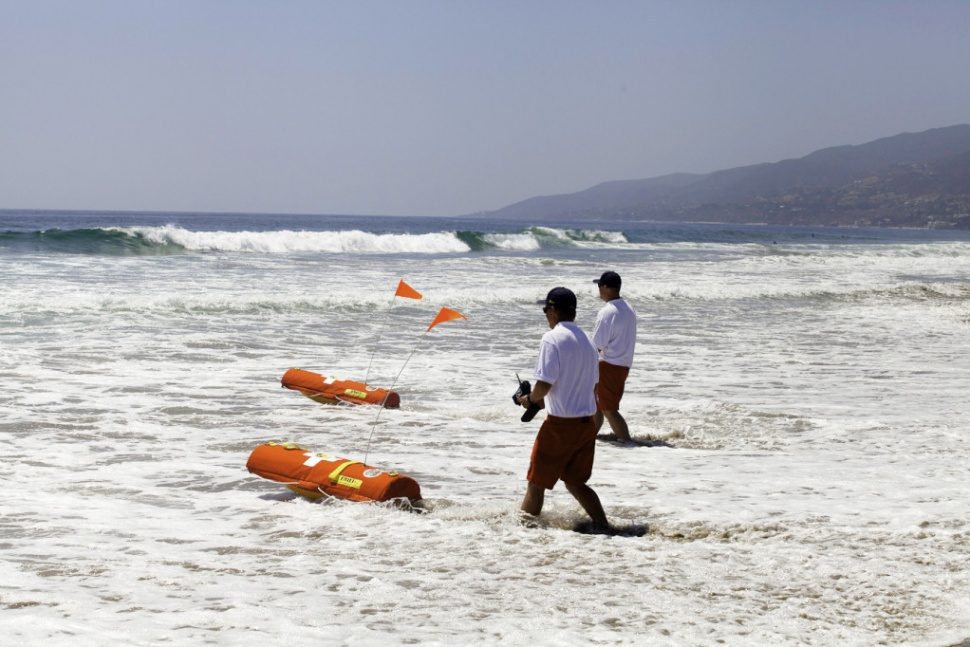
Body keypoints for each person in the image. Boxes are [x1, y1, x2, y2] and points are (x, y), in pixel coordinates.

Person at [517, 286, 609, 530]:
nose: (546, 315)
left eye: (546, 310)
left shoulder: (552, 338)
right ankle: (603, 526)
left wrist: (530, 400)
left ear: (554, 310)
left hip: (560, 426)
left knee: (536, 483)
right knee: (575, 482)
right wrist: (543, 400)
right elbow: (590, 386)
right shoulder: (588, 341)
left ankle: (523, 533)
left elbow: (544, 384)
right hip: (587, 423)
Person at [591, 271, 637, 444]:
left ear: (606, 287)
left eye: (599, 286)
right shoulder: (628, 308)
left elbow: (596, 345)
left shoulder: (607, 312)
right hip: (622, 364)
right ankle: (589, 437)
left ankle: (626, 441)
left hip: (609, 364)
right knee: (598, 405)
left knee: (608, 408)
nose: (598, 290)